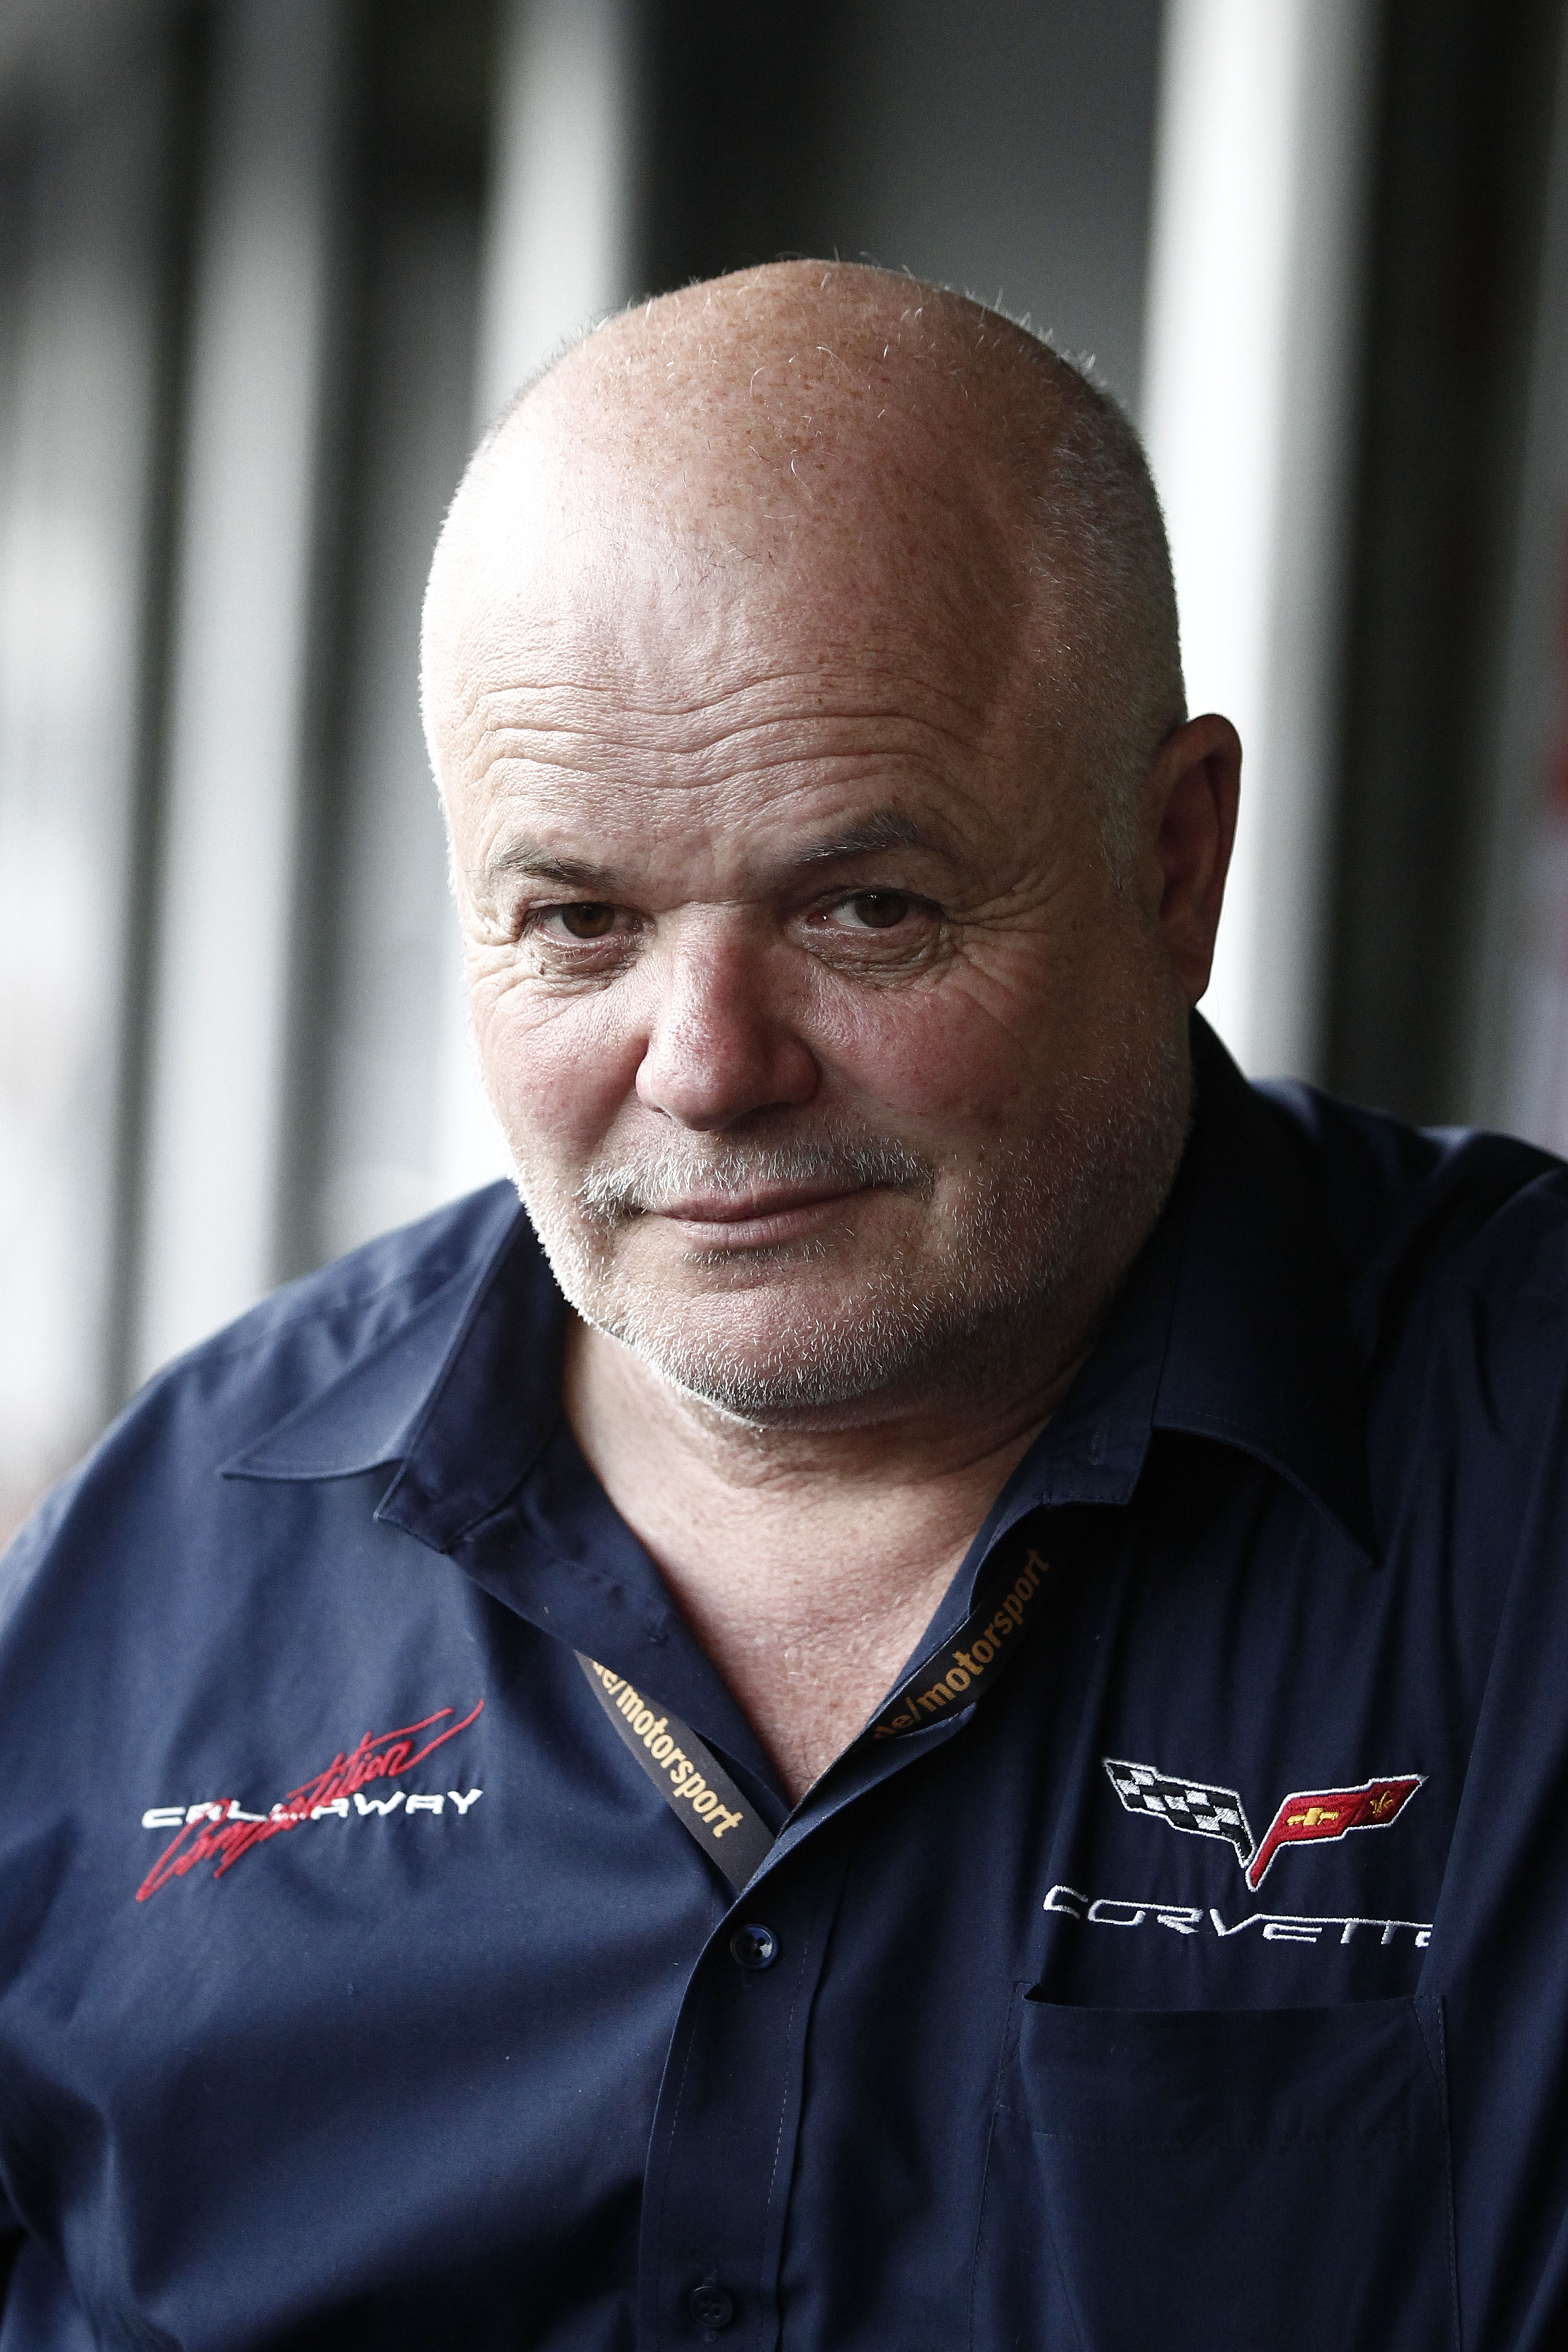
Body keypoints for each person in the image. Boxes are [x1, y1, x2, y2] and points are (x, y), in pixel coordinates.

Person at [1, 260, 1565, 2352]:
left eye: (865, 908)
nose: (708, 1067)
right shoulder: (161, 1563)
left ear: (1174, 862)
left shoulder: (1524, 1484)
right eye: (580, 922)